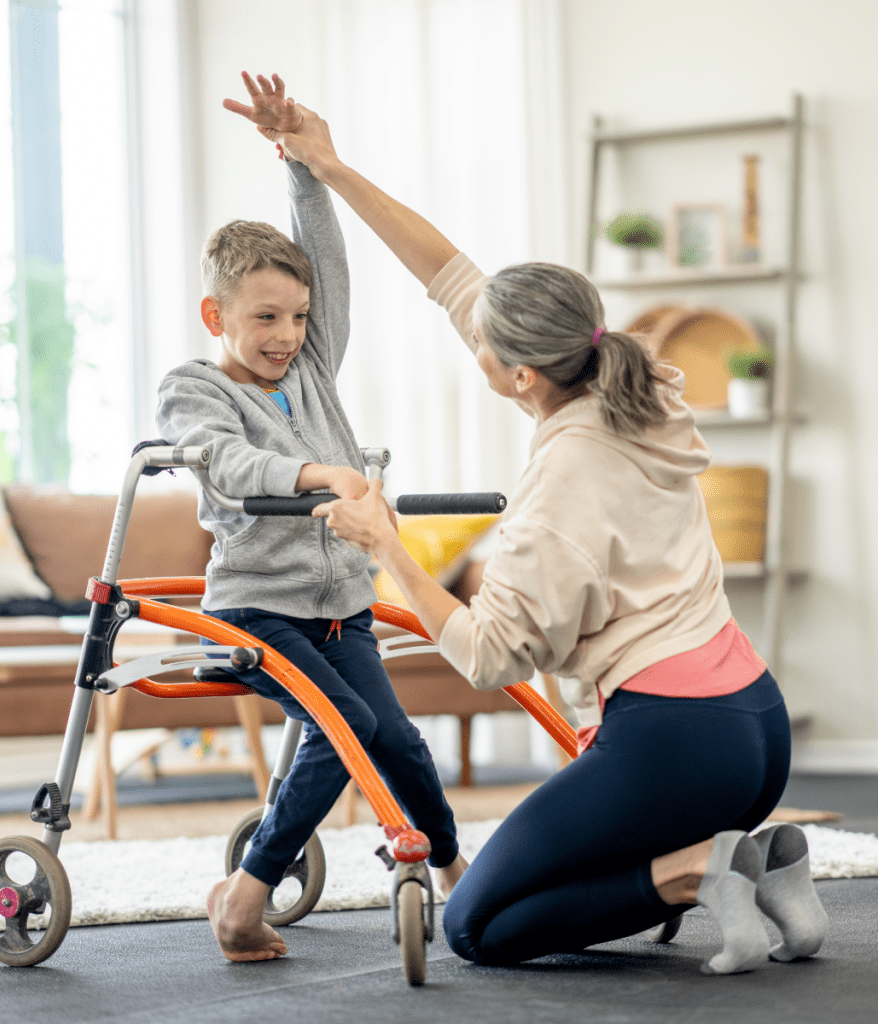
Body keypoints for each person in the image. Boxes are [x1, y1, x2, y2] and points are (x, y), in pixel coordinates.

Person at [224, 73, 828, 973]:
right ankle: (767, 865)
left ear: (518, 377)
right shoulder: (641, 383)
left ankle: (706, 866)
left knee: (477, 927)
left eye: (483, 346)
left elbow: (487, 656)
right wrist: (327, 165)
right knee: (552, 869)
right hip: (755, 724)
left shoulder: (558, 488)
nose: (474, 340)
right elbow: (449, 273)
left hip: (678, 745)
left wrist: (384, 542)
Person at [156, 76, 466, 964]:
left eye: (296, 317)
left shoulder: (312, 366)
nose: (287, 333)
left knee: (396, 740)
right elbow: (228, 463)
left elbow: (324, 259)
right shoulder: (197, 388)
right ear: (216, 315)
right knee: (344, 729)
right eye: (264, 318)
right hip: (256, 610)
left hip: (341, 610)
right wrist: (317, 470)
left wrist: (300, 162)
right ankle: (244, 899)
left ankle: (456, 874)